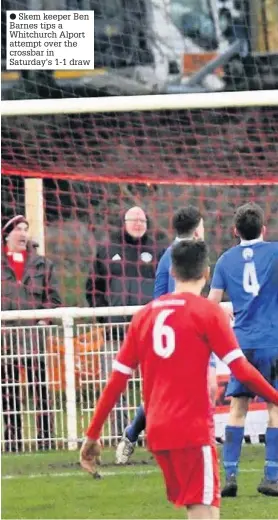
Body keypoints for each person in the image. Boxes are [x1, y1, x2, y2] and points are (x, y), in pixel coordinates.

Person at [80, 240, 278, 520]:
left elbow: (116, 381)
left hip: (159, 433)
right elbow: (242, 370)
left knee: (206, 507)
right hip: (192, 430)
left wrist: (92, 434)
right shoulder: (207, 312)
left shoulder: (144, 315)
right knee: (201, 509)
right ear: (207, 273)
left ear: (172, 272)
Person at [116, 205, 218, 464]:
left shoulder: (177, 252)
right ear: (197, 230)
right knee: (170, 392)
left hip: (173, 328)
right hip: (173, 330)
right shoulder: (180, 255)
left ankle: (190, 438)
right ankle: (135, 433)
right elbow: (179, 298)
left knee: (177, 390)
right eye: (203, 226)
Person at [209, 202, 278, 497]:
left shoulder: (225, 260)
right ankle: (271, 477)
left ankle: (230, 478)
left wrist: (226, 317)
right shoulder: (275, 252)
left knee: (238, 408)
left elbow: (211, 304)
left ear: (235, 230)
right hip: (273, 342)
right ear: (263, 229)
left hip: (241, 346)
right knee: (275, 407)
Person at [86, 206, 164, 440]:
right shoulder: (106, 249)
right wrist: (105, 318)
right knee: (115, 385)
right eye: (133, 219)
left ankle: (154, 431)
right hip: (117, 332)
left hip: (152, 331)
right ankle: (117, 435)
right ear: (124, 222)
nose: (138, 223)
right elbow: (93, 288)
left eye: (142, 219)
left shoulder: (159, 250)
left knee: (155, 385)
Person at [1, 215, 62, 451]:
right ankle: (12, 443)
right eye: (18, 229)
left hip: (34, 339)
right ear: (7, 234)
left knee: (41, 392)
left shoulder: (43, 264)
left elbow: (54, 299)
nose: (23, 233)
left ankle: (46, 440)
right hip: (5, 342)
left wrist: (43, 319)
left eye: (26, 228)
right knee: (9, 394)